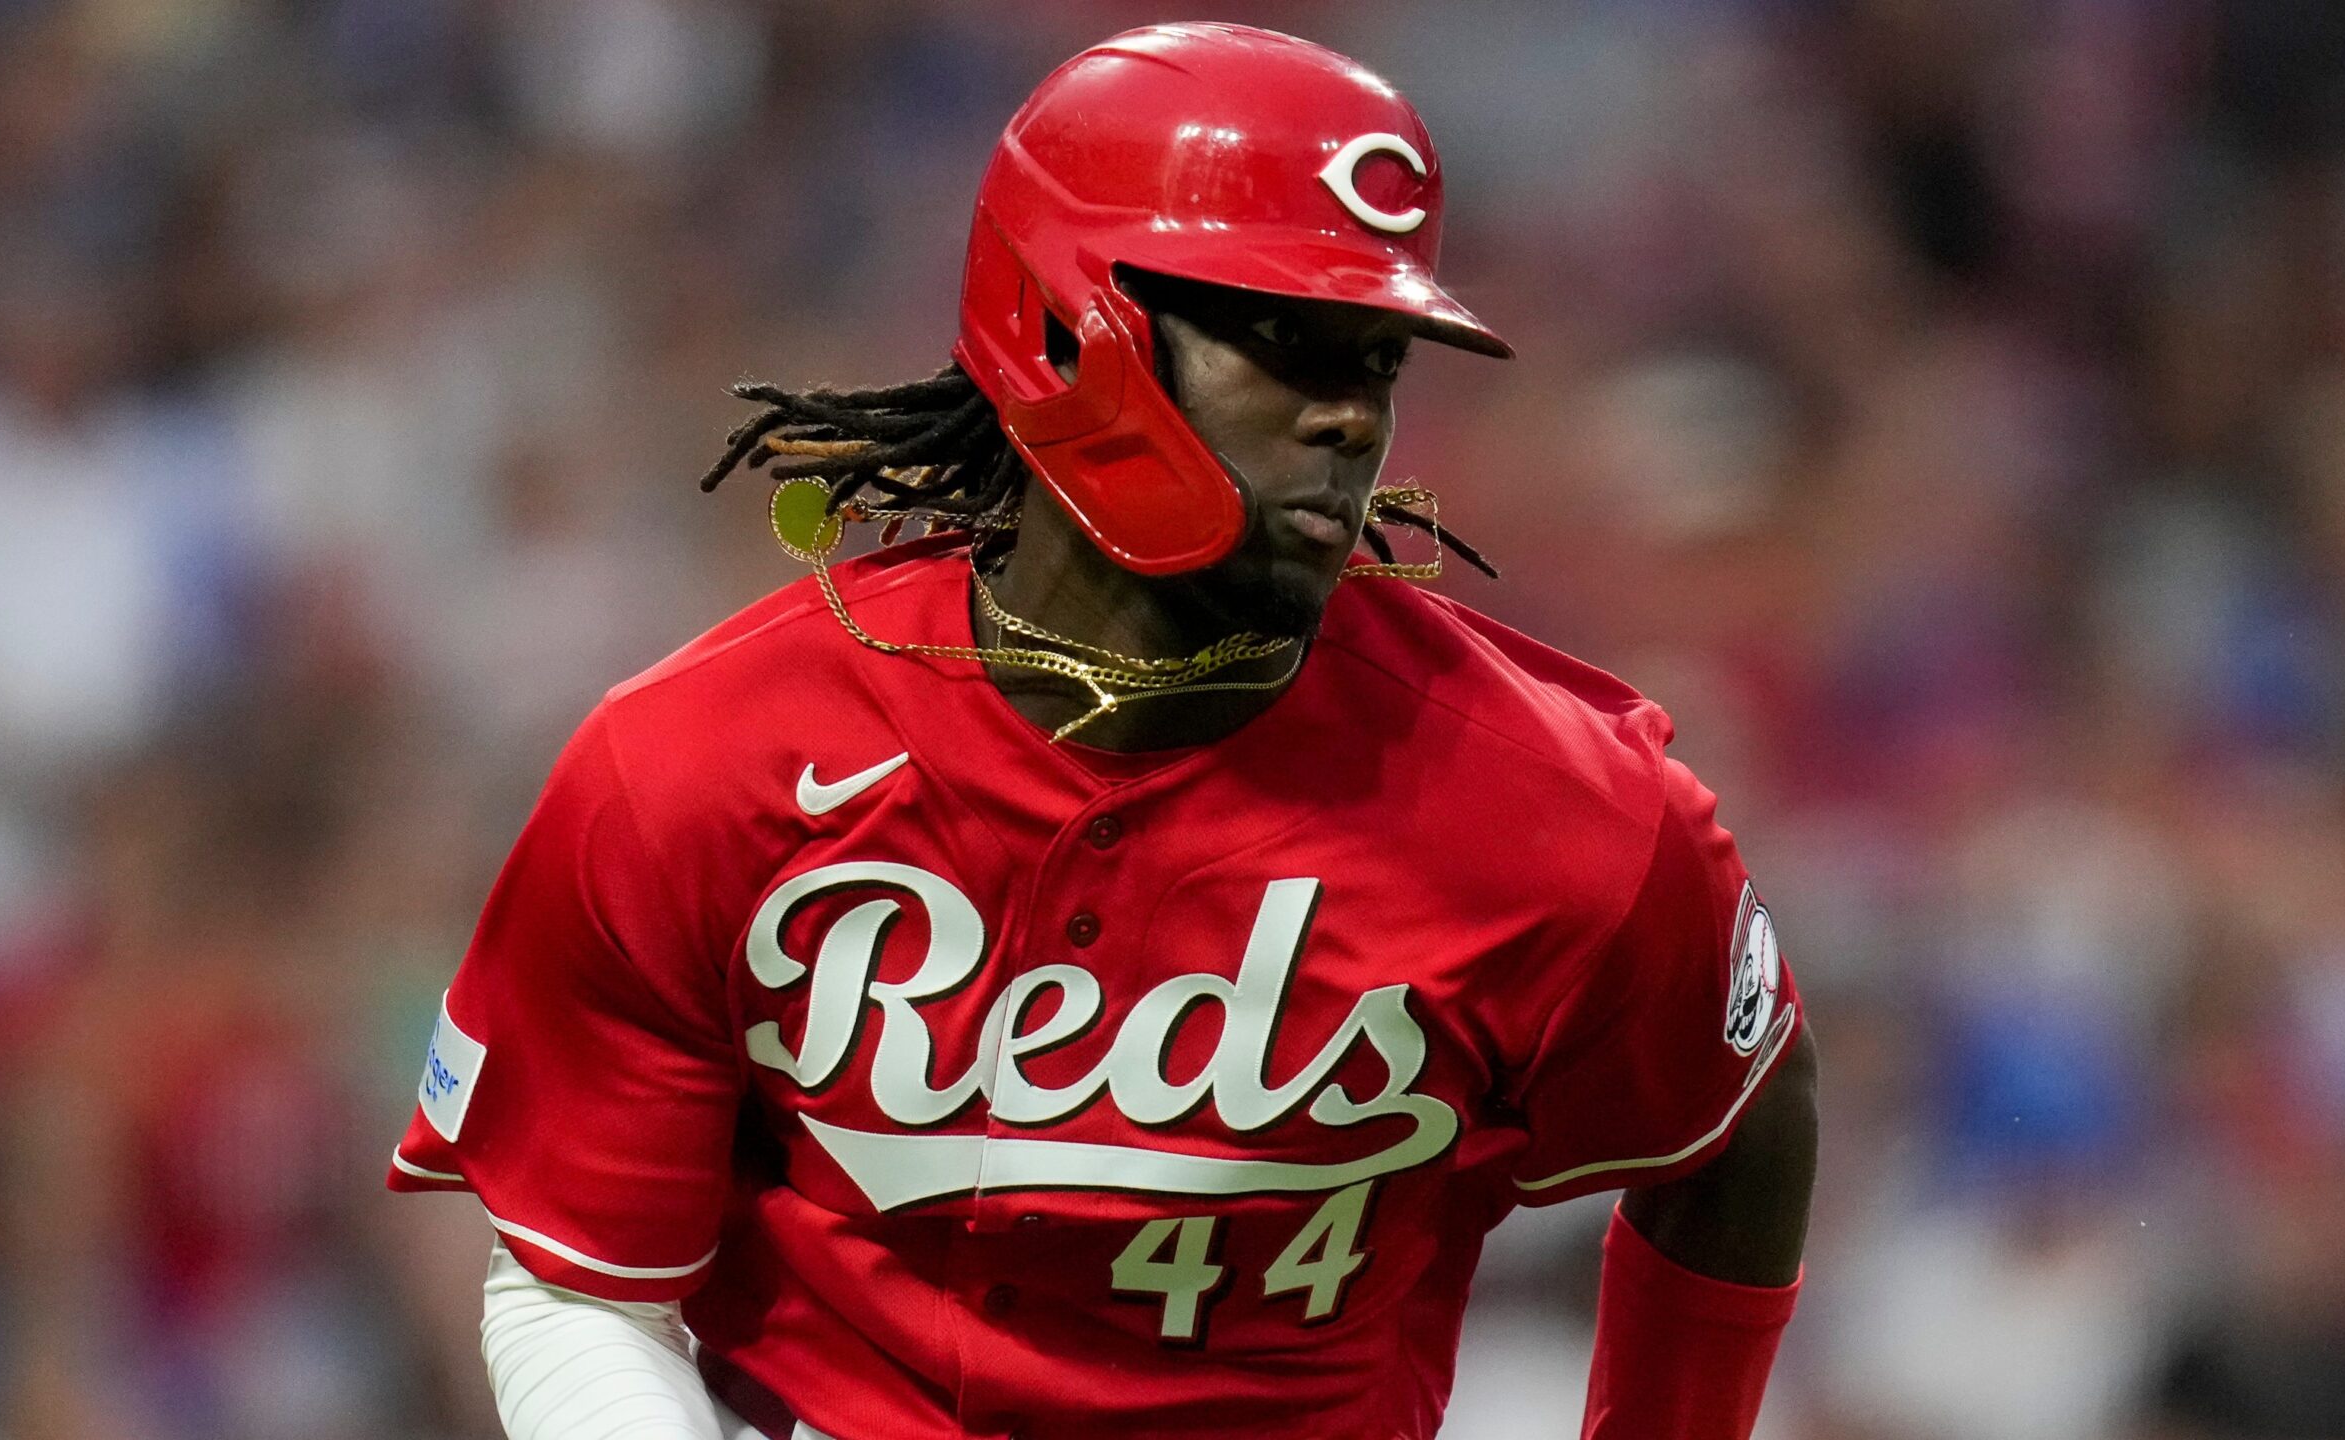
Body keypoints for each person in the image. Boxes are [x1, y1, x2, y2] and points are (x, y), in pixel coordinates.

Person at [387, 22, 1816, 1440]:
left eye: (1377, 360)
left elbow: (1743, 1123)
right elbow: (575, 1285)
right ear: (1064, 326)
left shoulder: (1562, 809)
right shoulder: (700, 760)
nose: (1348, 418)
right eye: (1283, 339)